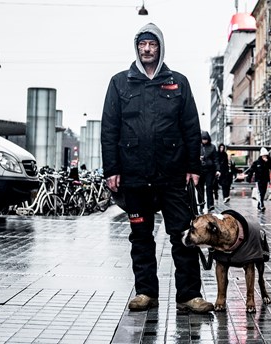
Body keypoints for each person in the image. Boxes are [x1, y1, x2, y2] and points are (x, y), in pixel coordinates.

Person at [100, 23, 214, 313]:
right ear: (137, 48)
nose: (147, 49)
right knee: (140, 236)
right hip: (134, 174)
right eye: (142, 44)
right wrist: (111, 169)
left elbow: (191, 127)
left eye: (152, 44)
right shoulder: (120, 83)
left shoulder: (178, 82)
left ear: (160, 47)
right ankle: (146, 293)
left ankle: (189, 295)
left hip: (172, 174)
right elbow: (109, 128)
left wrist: (194, 167)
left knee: (183, 236)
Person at [246, 147, 271, 212]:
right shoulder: (256, 163)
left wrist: (268, 161)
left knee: (263, 192)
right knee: (260, 192)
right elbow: (251, 170)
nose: (265, 157)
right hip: (259, 180)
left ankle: (259, 205)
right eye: (264, 155)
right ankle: (262, 205)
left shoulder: (268, 162)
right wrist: (249, 178)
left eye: (266, 155)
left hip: (265, 179)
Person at [197, 131, 220, 213]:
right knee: (200, 189)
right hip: (200, 170)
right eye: (203, 139)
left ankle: (210, 205)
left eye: (205, 139)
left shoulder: (212, 147)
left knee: (209, 187)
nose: (204, 141)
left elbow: (216, 159)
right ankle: (201, 205)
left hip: (209, 170)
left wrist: (217, 170)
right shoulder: (198, 147)